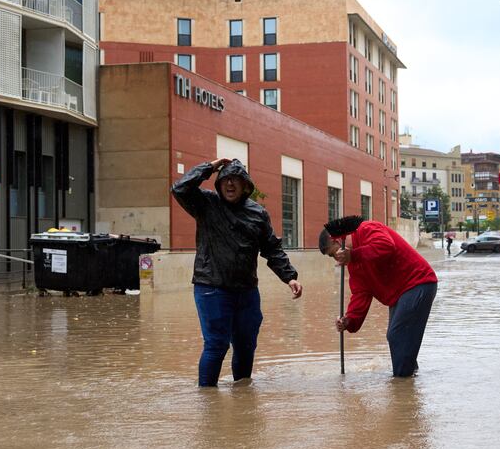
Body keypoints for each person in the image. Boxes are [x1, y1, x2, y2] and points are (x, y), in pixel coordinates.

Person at [171, 158, 303, 387]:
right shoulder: (206, 204)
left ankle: (242, 394)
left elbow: (272, 248)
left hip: (246, 291)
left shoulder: (258, 213)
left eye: (236, 180)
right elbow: (180, 188)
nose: (230, 184)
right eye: (226, 180)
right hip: (211, 287)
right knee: (217, 344)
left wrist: (289, 277)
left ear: (246, 185)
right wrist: (210, 167)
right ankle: (208, 400)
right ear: (219, 183)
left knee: (246, 344)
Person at [319, 216, 437, 377]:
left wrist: (354, 255)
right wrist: (349, 320)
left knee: (396, 334)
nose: (338, 261)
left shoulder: (366, 228)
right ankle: (408, 383)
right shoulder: (354, 264)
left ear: (338, 241)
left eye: (335, 255)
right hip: (400, 294)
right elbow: (361, 294)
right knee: (398, 338)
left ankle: (401, 386)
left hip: (418, 283)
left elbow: (386, 246)